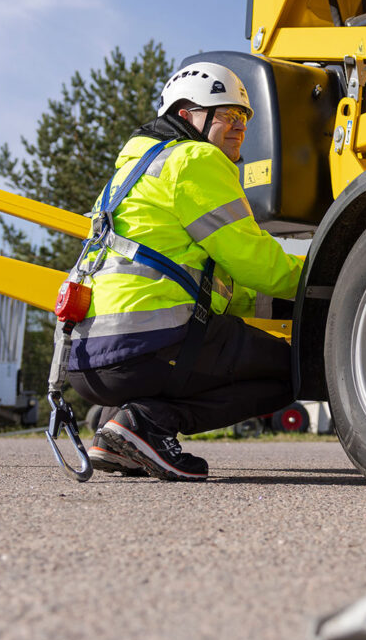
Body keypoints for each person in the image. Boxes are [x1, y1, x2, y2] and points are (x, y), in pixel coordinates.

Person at [62, 62, 303, 481]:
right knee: (291, 371)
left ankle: (120, 432)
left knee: (230, 339)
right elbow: (253, 260)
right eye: (227, 115)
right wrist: (327, 274)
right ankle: (147, 423)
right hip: (147, 346)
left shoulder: (129, 175)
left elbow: (215, 283)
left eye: (243, 117)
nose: (239, 127)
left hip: (88, 364)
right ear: (188, 115)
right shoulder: (194, 159)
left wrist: (289, 302)